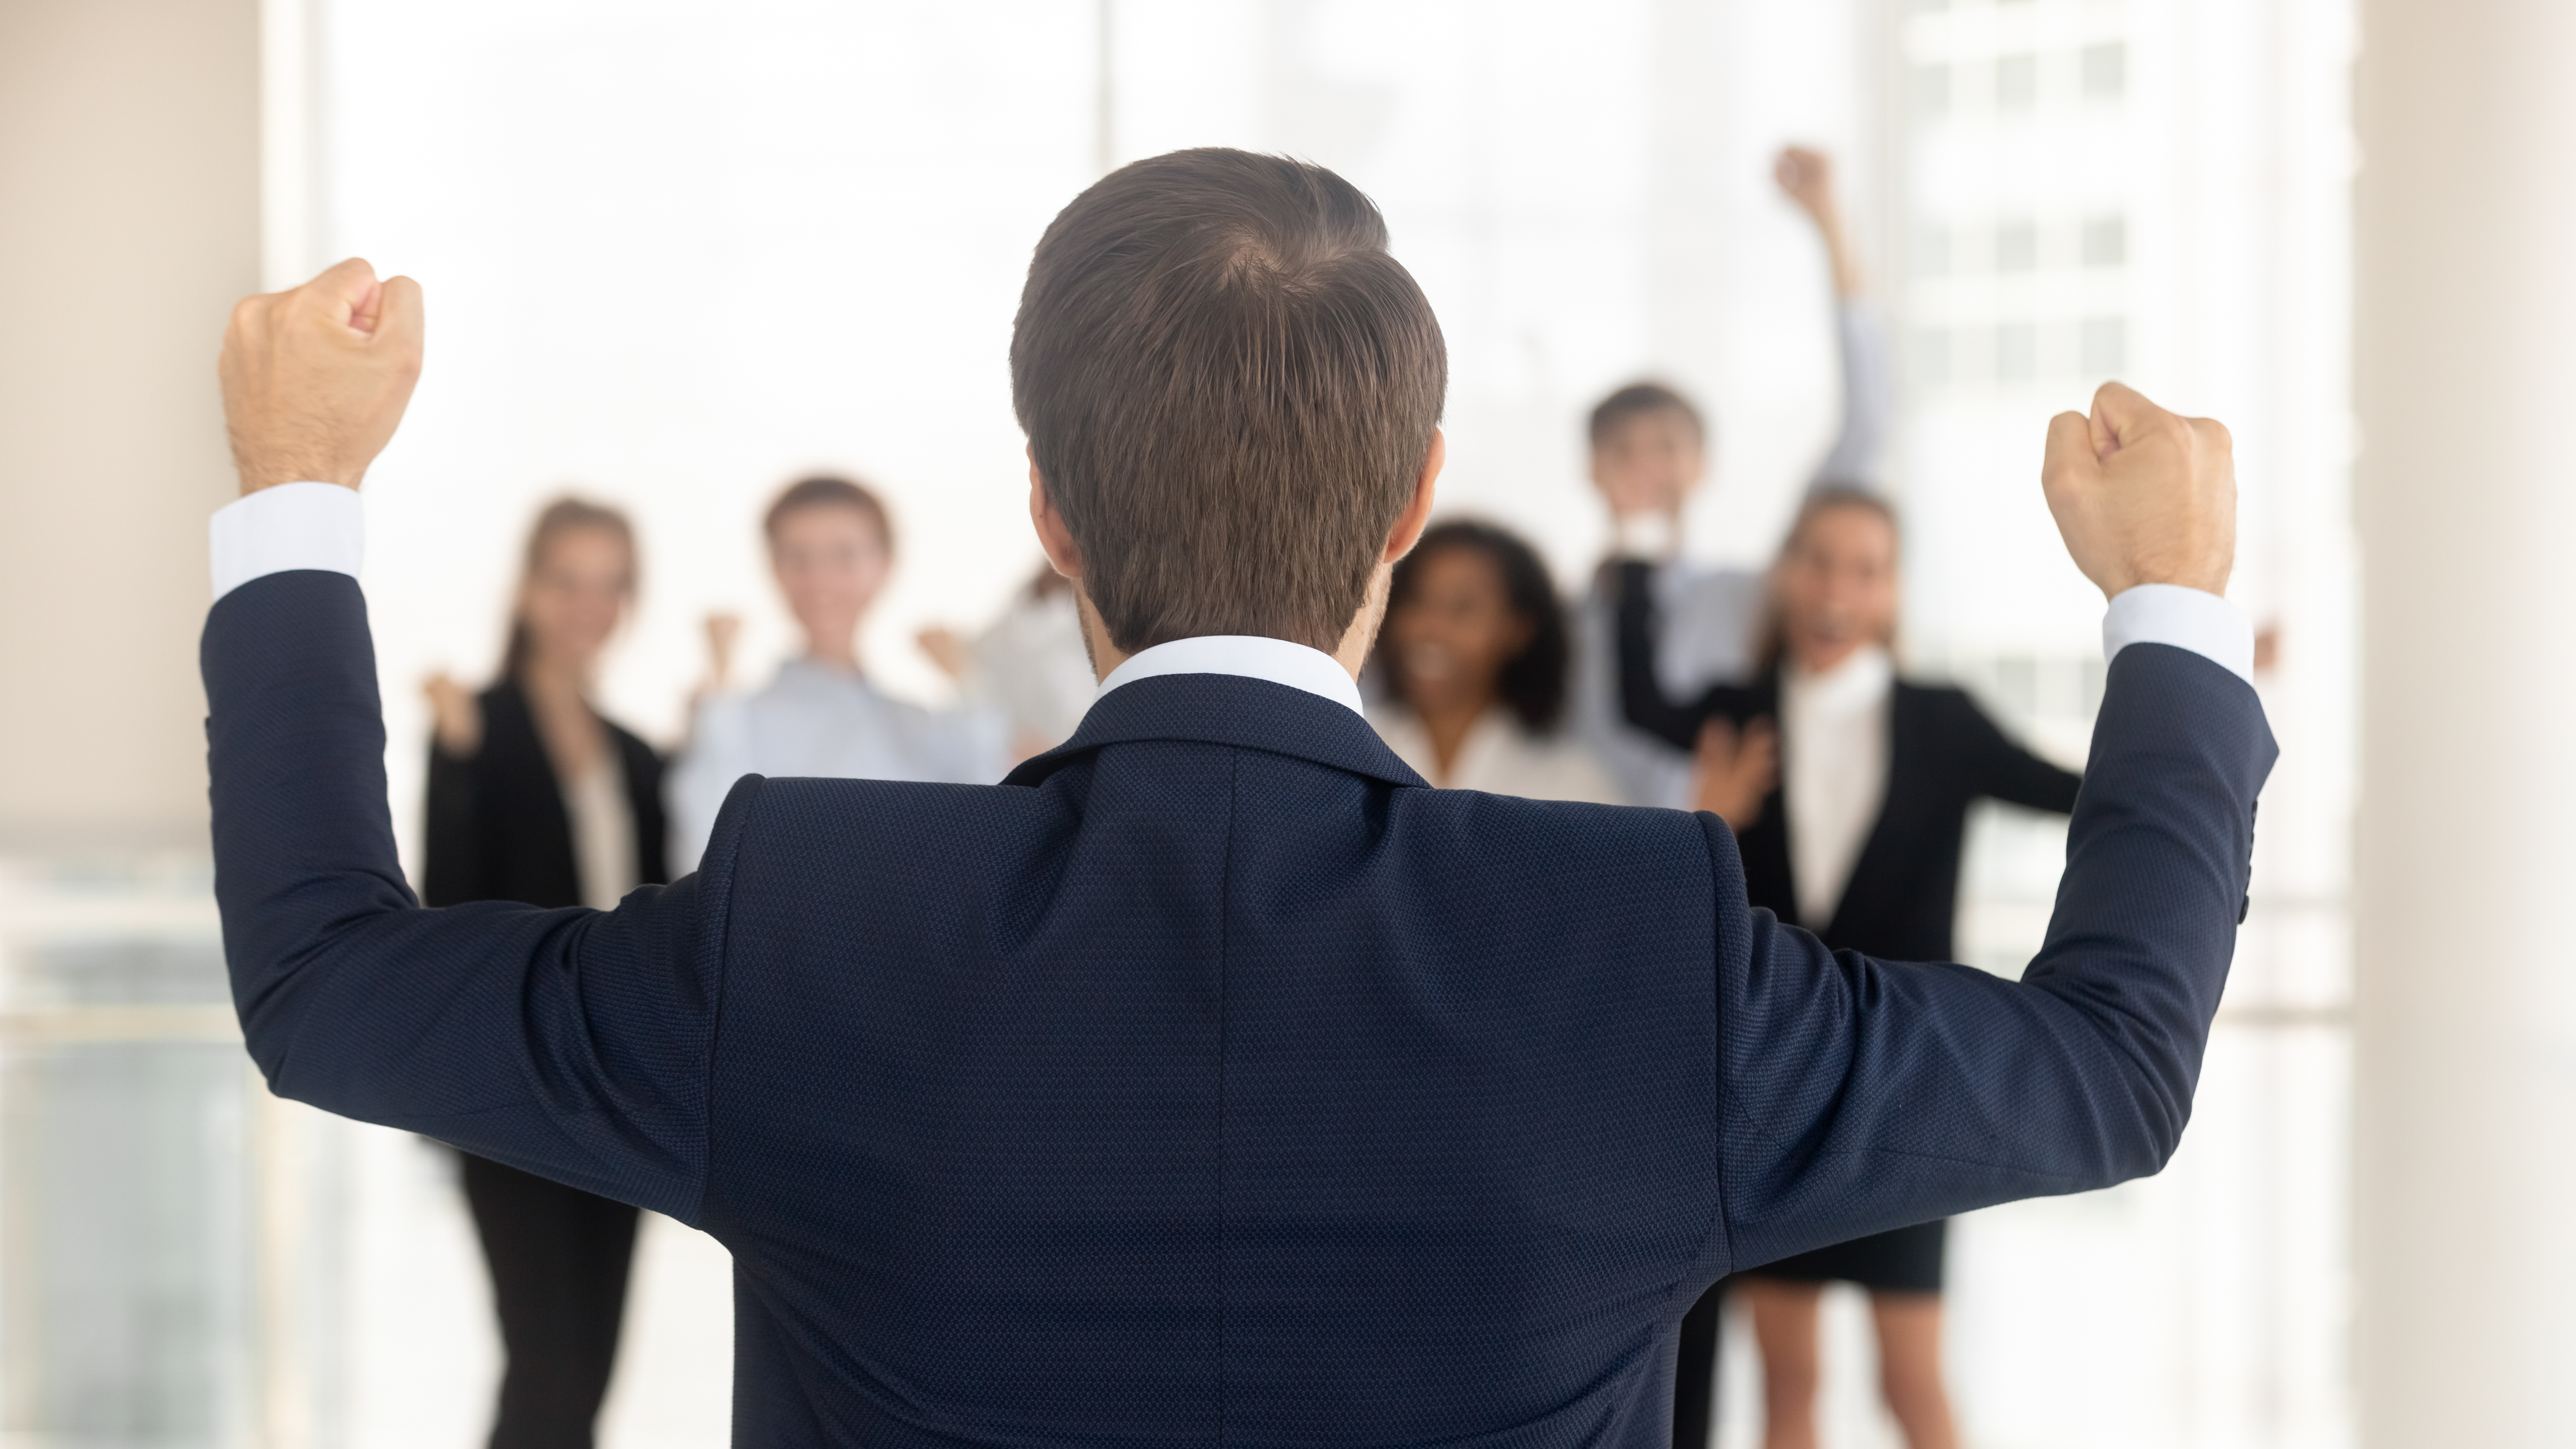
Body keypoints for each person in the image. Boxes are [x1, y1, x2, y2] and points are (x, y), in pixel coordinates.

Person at [202, 150, 2268, 1445]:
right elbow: (2107, 1062)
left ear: (1045, 513)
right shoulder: (1628, 944)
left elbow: (325, 981)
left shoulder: (815, 919)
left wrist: (298, 487)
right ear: (1410, 509)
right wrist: (2163, 606)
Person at [1620, 490, 2083, 1449]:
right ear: (1786, 572)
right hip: (1780, 1097)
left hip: (1911, 1097)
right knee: (1790, 1386)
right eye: (1818, 560)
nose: (1837, 587)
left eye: (1864, 568)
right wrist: (1634, 549)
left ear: (1890, 590)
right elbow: (1635, 699)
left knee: (1913, 1387)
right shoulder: (1738, 714)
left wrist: (2197, 691)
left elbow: (2072, 794)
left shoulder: (1942, 721)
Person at [417, 497, 665, 1449]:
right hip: (515, 1088)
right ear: (527, 589)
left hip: (617, 1093)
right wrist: (455, 758)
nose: (589, 602)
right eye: (568, 577)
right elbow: (447, 911)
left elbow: (659, 921)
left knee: (592, 1370)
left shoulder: (636, 754)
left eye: (611, 582)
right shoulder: (474, 724)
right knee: (547, 1362)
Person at [1572, 145, 1896, 812]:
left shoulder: (1746, 600)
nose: (1643, 468)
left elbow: (1862, 433)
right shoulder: (1560, 621)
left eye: (1665, 447)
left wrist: (1831, 225)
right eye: (1622, 450)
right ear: (1591, 470)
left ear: (1700, 468)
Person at [665, 475, 1010, 870]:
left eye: (845, 556)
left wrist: (968, 688)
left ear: (885, 564)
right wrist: (717, 701)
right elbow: (701, 858)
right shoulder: (734, 721)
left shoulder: (921, 725)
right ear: (774, 568)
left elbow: (987, 841)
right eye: (798, 557)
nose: (820, 579)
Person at [1365, 519, 1620, 803]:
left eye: (1462, 607)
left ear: (1520, 629)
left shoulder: (1572, 785)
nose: (1430, 627)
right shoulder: (1350, 754)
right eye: (1415, 600)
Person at [916, 562, 1096, 755]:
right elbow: (991, 657)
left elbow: (1041, 750)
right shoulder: (1030, 599)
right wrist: (956, 654)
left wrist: (965, 674)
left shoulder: (1087, 642)